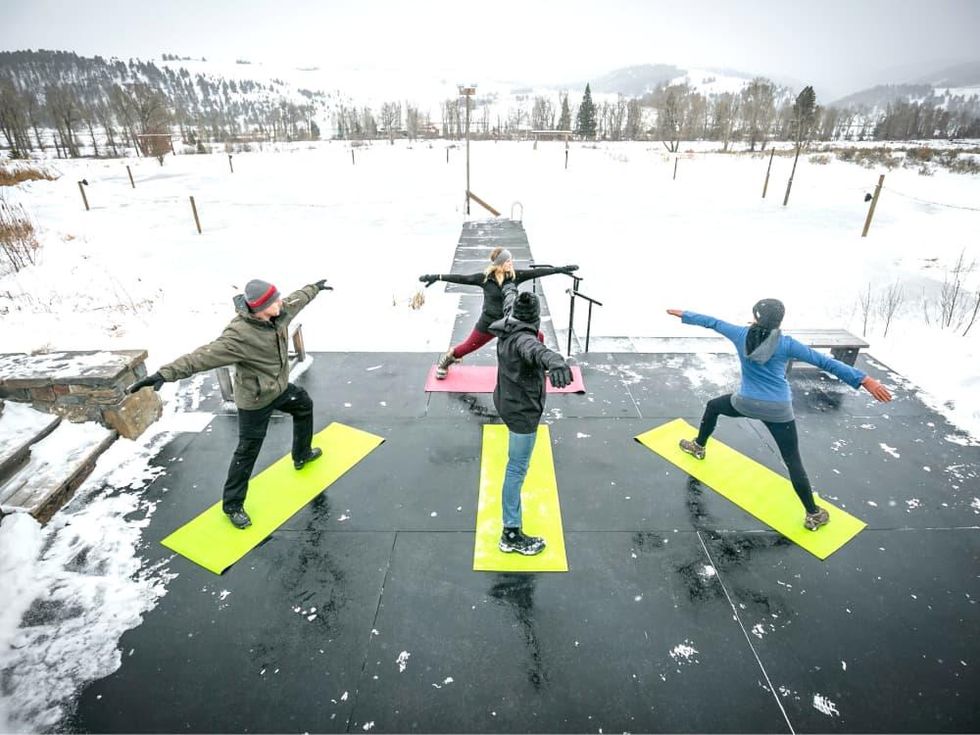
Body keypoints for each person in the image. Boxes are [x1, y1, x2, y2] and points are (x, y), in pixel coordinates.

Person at [666, 299, 892, 531]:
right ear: (779, 321)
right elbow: (825, 362)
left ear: (756, 317)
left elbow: (712, 322)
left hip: (745, 403)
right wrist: (865, 380)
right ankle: (813, 514)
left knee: (713, 406)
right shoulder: (786, 344)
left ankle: (698, 446)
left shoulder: (740, 334)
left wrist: (685, 314)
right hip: (778, 411)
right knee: (793, 461)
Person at [128, 278, 333, 529]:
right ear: (261, 307)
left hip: (278, 389)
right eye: (274, 300)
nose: (281, 302)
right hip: (255, 400)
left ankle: (301, 454)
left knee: (303, 404)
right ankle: (233, 505)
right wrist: (163, 374)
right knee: (247, 451)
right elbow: (199, 358)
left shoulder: (279, 313)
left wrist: (314, 288)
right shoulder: (238, 337)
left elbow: (296, 299)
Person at [489, 281, 574, 555]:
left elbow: (508, 295)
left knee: (515, 466)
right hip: (521, 412)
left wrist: (510, 284)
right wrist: (555, 361)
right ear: (534, 319)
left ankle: (511, 530)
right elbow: (535, 350)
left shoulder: (509, 319)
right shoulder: (523, 339)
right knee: (516, 469)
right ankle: (510, 533)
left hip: (505, 399)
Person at [419, 247, 578, 378]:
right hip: (489, 323)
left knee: (538, 337)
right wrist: (437, 277)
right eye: (508, 261)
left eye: (511, 260)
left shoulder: (514, 276)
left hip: (511, 323)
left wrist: (559, 270)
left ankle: (539, 365)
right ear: (499, 263)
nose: (511, 263)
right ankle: (445, 363)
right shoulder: (484, 278)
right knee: (467, 347)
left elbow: (538, 273)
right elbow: (461, 278)